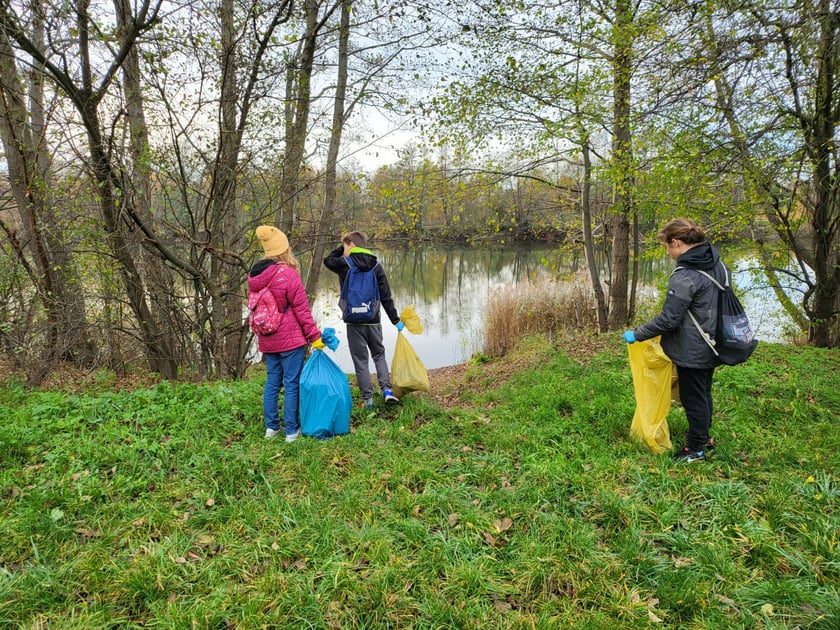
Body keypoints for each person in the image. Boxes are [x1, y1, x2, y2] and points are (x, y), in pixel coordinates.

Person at [623, 219, 728, 463]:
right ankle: (704, 437)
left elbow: (669, 320)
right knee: (703, 392)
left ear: (677, 243)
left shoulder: (686, 275)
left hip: (693, 347)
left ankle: (695, 449)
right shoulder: (717, 263)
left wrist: (636, 334)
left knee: (693, 398)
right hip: (714, 341)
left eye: (667, 247)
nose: (668, 253)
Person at [249, 225, 325, 442]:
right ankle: (292, 431)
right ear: (284, 249)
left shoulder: (255, 275)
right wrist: (315, 337)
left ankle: (271, 429)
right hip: (290, 340)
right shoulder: (288, 274)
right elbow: (302, 310)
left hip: (267, 338)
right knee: (292, 383)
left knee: (273, 381)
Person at [324, 231, 403, 408]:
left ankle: (368, 399)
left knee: (360, 360)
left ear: (350, 244)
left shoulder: (344, 264)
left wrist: (345, 247)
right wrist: (395, 320)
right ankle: (387, 390)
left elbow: (328, 260)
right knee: (379, 354)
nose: (343, 250)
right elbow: (386, 296)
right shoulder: (376, 266)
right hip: (373, 319)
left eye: (344, 246)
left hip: (353, 321)